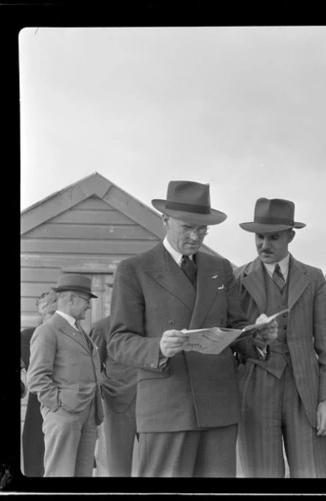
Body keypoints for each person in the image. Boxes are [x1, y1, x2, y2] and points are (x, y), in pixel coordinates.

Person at [107, 180, 277, 477]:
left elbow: (235, 326)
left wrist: (257, 337)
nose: (195, 236)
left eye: (203, 230)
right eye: (187, 227)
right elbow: (118, 341)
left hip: (218, 404)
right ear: (165, 220)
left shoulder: (220, 267)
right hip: (167, 407)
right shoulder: (134, 270)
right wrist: (157, 347)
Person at [234, 198, 326, 477]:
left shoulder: (314, 277)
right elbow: (232, 341)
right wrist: (254, 339)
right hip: (255, 390)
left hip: (304, 390)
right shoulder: (237, 279)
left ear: (291, 236)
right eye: (259, 237)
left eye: (274, 237)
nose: (264, 245)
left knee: (314, 475)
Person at [27, 274, 104, 477]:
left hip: (88, 413)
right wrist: (59, 406)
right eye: (86, 300)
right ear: (70, 299)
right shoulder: (48, 330)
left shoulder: (78, 330)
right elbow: (36, 378)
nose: (88, 306)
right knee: (59, 474)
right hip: (65, 414)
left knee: (83, 474)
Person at [89, 282, 139, 477]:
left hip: (150, 401)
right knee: (117, 462)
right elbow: (94, 368)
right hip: (117, 401)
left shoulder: (148, 326)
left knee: (156, 461)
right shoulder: (102, 327)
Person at [20, 291, 58, 477]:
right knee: (35, 461)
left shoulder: (72, 335)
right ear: (41, 310)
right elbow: (34, 367)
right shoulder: (28, 335)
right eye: (47, 306)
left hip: (63, 405)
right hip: (39, 403)